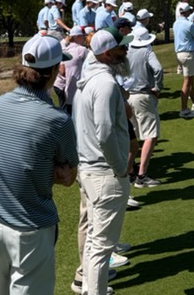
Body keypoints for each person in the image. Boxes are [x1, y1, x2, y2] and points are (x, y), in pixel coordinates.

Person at [0, 35, 78, 295]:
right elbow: (69, 176)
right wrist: (51, 172)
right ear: (54, 71)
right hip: (31, 229)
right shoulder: (58, 120)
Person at [73, 29, 132, 295]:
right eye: (121, 48)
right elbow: (105, 132)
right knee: (101, 246)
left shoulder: (88, 81)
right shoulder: (105, 84)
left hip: (89, 170)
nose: (126, 51)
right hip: (105, 173)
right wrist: (120, 167)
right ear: (107, 53)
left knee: (93, 239)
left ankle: (89, 288)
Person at [128, 13, 163, 188]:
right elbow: (158, 69)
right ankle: (142, 175)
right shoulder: (147, 51)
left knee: (132, 136)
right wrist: (157, 87)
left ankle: (130, 171)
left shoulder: (126, 51)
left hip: (127, 96)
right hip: (143, 95)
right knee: (150, 135)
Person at [173, 4, 194, 119]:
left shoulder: (175, 23)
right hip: (188, 54)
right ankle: (184, 110)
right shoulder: (189, 24)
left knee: (190, 80)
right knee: (188, 82)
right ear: (187, 12)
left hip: (179, 54)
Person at [54, 26, 89, 114]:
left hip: (64, 87)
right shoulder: (82, 50)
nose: (84, 38)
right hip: (75, 88)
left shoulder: (65, 49)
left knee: (65, 112)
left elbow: (62, 71)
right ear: (77, 37)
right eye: (83, 36)